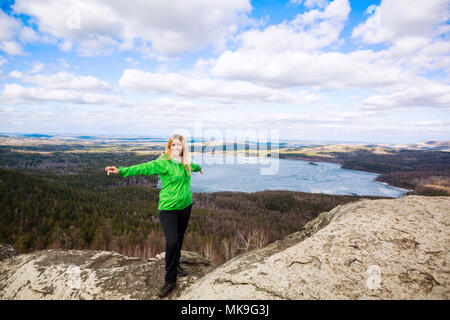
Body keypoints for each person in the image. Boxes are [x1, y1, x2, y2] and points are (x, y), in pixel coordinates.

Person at [104, 134, 203, 298]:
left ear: (183, 147)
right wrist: (120, 171)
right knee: (172, 242)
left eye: (179, 145)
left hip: (186, 206)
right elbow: (143, 167)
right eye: (173, 145)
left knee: (179, 237)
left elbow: (191, 165)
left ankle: (176, 264)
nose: (176, 148)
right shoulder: (163, 163)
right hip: (168, 208)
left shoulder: (185, 163)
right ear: (169, 147)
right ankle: (170, 280)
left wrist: (198, 168)